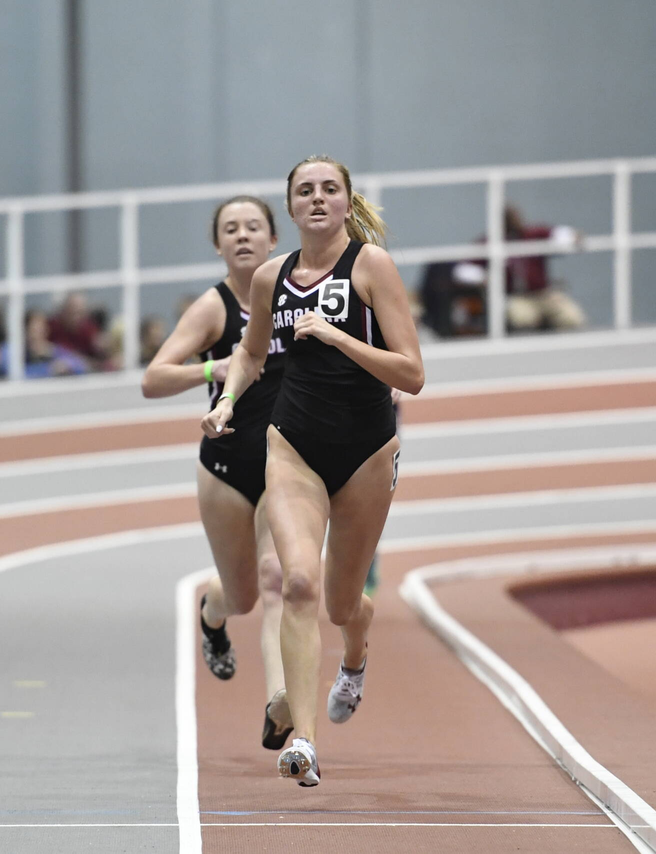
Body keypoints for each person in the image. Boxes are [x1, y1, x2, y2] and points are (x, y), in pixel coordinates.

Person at [201, 156, 424, 787]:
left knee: (341, 601)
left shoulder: (371, 267)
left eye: (330, 189)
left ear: (347, 202)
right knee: (295, 582)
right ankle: (303, 740)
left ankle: (354, 656)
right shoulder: (272, 276)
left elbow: (412, 371)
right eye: (306, 191)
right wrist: (224, 402)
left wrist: (337, 337)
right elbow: (248, 356)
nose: (318, 198)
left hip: (366, 451)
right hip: (292, 444)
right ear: (291, 209)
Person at [142, 195, 295, 751]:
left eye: (254, 226)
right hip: (227, 467)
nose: (243, 236)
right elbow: (152, 378)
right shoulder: (214, 307)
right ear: (218, 245)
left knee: (278, 581)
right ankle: (211, 614)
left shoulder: (296, 293)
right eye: (230, 229)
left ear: (274, 239)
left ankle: (279, 701)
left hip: (287, 463)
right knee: (243, 595)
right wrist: (213, 366)